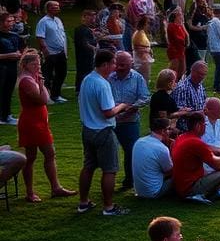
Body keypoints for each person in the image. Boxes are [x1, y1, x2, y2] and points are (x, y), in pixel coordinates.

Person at [77, 49, 134, 216]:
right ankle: (109, 207)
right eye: (113, 63)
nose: (115, 67)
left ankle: (83, 202)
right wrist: (122, 106)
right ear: (105, 65)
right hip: (103, 130)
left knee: (88, 167)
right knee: (110, 169)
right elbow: (108, 112)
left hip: (87, 130)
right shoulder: (102, 84)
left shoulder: (87, 79)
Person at [16, 51, 74, 201]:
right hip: (31, 123)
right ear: (25, 65)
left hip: (38, 122)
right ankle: (31, 192)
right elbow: (43, 99)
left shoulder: (34, 78)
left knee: (48, 154)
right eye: (34, 64)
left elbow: (45, 97)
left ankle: (55, 187)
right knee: (33, 156)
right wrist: (42, 85)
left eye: (38, 63)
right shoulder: (27, 81)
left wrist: (42, 85)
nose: (37, 66)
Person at [171, 112, 220, 202]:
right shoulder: (195, 142)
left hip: (180, 186)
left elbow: (206, 148)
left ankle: (217, 191)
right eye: (205, 125)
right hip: (190, 189)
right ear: (198, 126)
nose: (205, 128)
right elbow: (218, 165)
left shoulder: (181, 138)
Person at [108, 50, 150, 191]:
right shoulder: (109, 77)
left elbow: (145, 97)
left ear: (130, 64)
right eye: (117, 64)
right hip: (111, 122)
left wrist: (133, 107)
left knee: (131, 152)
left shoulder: (137, 78)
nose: (119, 67)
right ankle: (108, 182)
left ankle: (129, 181)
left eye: (123, 65)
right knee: (109, 152)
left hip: (130, 121)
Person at [132, 117, 175, 199]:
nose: (170, 132)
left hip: (139, 191)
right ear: (163, 131)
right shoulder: (161, 148)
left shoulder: (139, 141)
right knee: (182, 172)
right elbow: (170, 171)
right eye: (169, 129)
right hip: (155, 192)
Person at [35, 0, 68, 103]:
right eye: (55, 6)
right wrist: (45, 50)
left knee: (61, 73)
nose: (58, 8)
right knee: (47, 75)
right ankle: (46, 95)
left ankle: (56, 94)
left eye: (58, 6)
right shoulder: (43, 22)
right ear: (49, 8)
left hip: (61, 52)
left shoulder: (58, 20)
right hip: (50, 53)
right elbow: (40, 37)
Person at [0, 12, 24, 126]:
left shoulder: (14, 36)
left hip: (12, 68)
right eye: (8, 21)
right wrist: (9, 55)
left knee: (8, 92)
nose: (11, 23)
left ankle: (6, 115)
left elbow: (20, 50)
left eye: (12, 21)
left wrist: (19, 55)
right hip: (1, 67)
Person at [171, 61, 208, 132]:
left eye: (204, 75)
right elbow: (178, 113)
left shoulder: (201, 86)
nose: (202, 77)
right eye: (200, 74)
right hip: (185, 128)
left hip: (199, 125)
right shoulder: (182, 88)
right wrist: (198, 113)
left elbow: (204, 104)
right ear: (192, 71)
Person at [73, 9, 99, 94]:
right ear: (84, 17)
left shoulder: (88, 29)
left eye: (94, 17)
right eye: (90, 16)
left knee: (88, 70)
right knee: (84, 71)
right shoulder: (81, 30)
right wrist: (94, 49)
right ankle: (80, 89)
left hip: (89, 55)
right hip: (83, 55)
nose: (92, 19)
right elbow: (84, 43)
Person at [165, 9, 188, 81]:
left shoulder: (180, 26)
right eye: (180, 16)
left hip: (181, 50)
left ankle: (179, 83)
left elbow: (186, 36)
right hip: (174, 50)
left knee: (182, 69)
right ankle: (168, 81)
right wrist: (183, 42)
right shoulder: (171, 26)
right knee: (174, 68)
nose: (182, 17)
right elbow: (177, 38)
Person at [133, 14, 154, 83]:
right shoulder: (138, 33)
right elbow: (136, 47)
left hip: (145, 59)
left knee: (146, 77)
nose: (148, 25)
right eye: (147, 23)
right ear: (144, 24)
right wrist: (147, 50)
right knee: (143, 78)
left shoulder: (142, 32)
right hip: (141, 60)